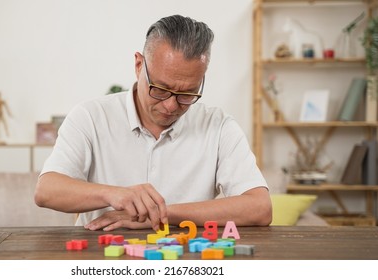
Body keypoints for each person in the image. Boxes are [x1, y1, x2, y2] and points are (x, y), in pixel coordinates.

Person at [35, 15, 272, 232]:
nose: (170, 106)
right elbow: (47, 191)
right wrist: (115, 195)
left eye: (187, 94)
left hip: (185, 259)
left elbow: (260, 208)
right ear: (139, 65)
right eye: (159, 89)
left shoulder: (219, 126)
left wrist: (162, 214)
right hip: (104, 257)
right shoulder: (90, 116)